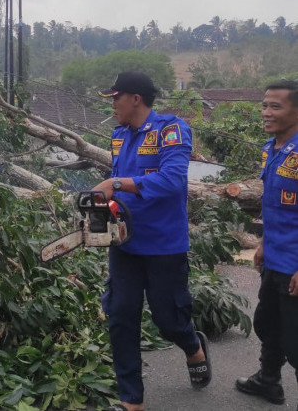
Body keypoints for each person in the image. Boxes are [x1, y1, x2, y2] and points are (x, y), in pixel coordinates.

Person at [94, 72, 210, 411]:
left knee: (168, 319)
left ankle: (192, 346)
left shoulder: (170, 130)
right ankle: (132, 399)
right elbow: (121, 184)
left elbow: (173, 180)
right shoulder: (118, 135)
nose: (112, 105)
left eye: (115, 97)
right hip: (125, 243)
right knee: (120, 314)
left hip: (164, 245)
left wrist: (116, 183)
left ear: (135, 98)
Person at [235, 80, 298, 408]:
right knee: (267, 323)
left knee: (296, 340)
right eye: (264, 105)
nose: (266, 112)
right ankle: (269, 381)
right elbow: (274, 206)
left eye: (276, 106)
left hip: (294, 265)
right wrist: (261, 244)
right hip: (274, 256)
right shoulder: (269, 149)